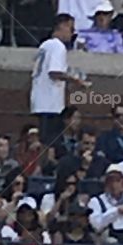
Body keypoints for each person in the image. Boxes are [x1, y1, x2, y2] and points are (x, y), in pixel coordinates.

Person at [30, 15, 85, 147]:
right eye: (71, 29)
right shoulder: (58, 46)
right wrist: (76, 81)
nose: (72, 33)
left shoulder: (45, 45)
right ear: (63, 25)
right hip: (50, 103)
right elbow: (54, 72)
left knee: (46, 140)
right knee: (51, 143)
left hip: (40, 100)